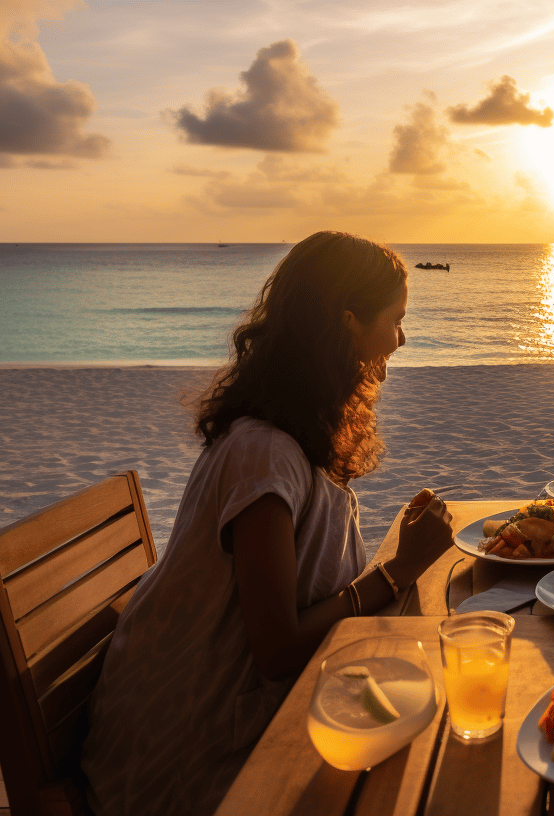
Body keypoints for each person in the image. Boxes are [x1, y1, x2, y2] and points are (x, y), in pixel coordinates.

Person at [81, 232, 456, 816]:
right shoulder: (265, 454)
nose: (401, 338)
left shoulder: (297, 435)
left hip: (238, 708)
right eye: (395, 319)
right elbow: (278, 650)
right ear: (348, 323)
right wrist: (398, 570)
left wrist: (394, 571)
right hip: (187, 752)